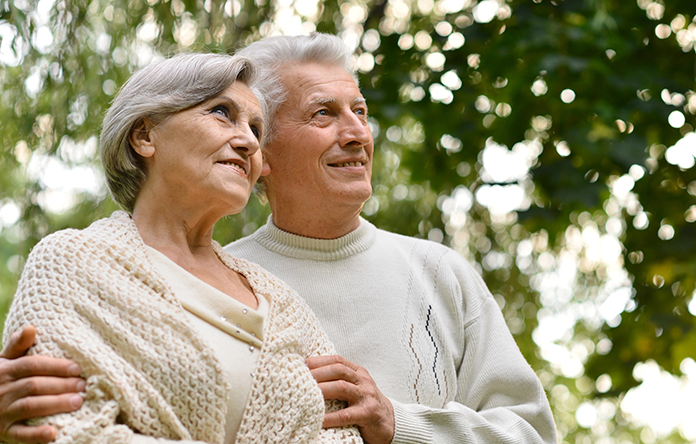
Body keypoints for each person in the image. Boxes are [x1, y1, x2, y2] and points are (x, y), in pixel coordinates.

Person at [0, 34, 557, 444]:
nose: (357, 132)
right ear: (271, 161)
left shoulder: (431, 275)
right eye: (323, 113)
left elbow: (533, 435)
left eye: (360, 112)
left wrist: (399, 424)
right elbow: (58, 423)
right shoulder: (91, 264)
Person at [0, 52, 362, 444]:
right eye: (222, 113)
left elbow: (340, 433)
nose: (247, 143)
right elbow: (66, 429)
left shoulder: (282, 302)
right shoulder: (70, 263)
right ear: (144, 136)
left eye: (256, 130)